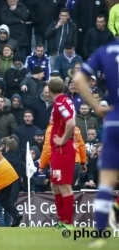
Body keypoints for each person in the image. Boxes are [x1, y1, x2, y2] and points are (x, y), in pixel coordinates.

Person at [73, 39, 119, 247]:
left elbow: (79, 78)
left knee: (106, 183)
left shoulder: (105, 50)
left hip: (113, 121)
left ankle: (100, 235)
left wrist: (96, 107)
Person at [39, 77, 76, 231]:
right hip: (57, 151)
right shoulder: (64, 101)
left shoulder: (61, 103)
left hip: (63, 150)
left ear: (50, 89)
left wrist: (62, 139)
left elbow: (71, 123)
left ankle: (67, 223)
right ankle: (62, 220)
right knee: (55, 185)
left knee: (64, 186)